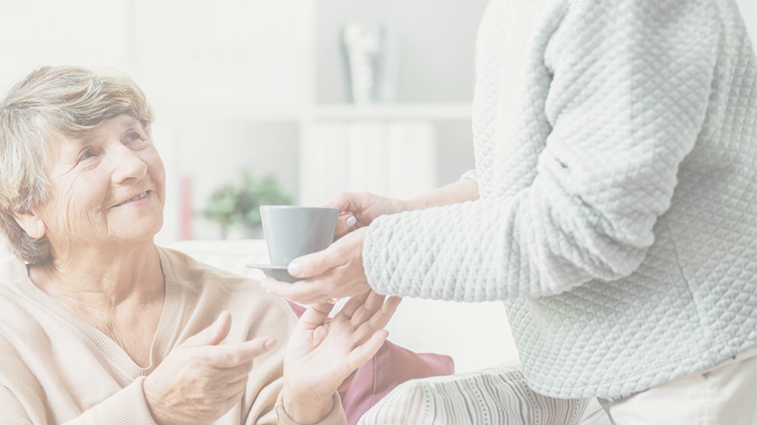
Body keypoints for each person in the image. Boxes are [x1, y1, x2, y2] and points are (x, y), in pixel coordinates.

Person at [263, 0, 757, 423]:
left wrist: (380, 255)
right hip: (625, 371)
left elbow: (587, 225)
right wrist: (402, 216)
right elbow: (543, 181)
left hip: (688, 371)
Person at [0, 65, 401, 425]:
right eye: (88, 154)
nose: (133, 165)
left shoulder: (244, 307)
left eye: (134, 136)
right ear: (26, 211)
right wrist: (153, 407)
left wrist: (306, 403)